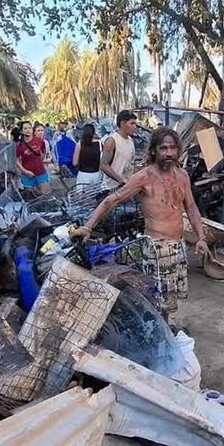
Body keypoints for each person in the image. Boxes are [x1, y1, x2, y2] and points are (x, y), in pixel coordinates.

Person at [75, 127, 210, 324]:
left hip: (177, 246)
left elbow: (191, 207)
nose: (169, 153)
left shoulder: (182, 176)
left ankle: (166, 327)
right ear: (154, 150)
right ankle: (158, 332)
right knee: (155, 300)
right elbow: (112, 200)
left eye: (173, 148)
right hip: (155, 249)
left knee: (169, 301)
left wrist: (201, 238)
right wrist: (88, 226)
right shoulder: (144, 177)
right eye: (163, 148)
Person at [101, 110, 138, 190]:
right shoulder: (112, 141)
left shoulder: (130, 140)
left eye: (135, 123)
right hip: (111, 189)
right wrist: (120, 180)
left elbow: (130, 163)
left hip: (125, 188)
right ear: (122, 124)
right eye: (132, 123)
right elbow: (103, 165)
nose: (135, 126)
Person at [15, 121, 51, 194]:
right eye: (25, 128)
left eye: (29, 128)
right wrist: (25, 171)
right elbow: (16, 160)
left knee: (46, 196)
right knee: (30, 199)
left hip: (41, 172)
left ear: (32, 130)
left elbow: (44, 152)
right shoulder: (19, 145)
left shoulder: (40, 141)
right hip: (27, 175)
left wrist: (40, 162)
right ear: (21, 131)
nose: (28, 130)